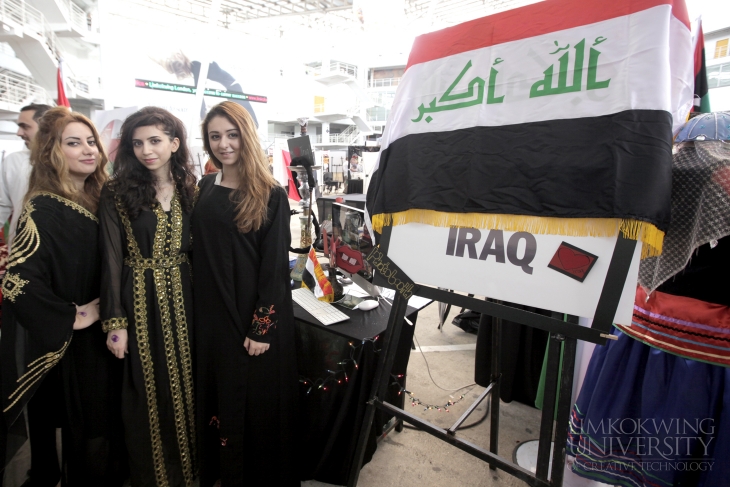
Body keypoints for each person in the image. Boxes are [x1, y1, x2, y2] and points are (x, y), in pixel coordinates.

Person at [0, 107, 123, 485]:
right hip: (76, 347)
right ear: (52, 150)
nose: (88, 150)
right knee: (89, 430)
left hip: (108, 333)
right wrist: (72, 315)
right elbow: (17, 281)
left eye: (91, 142)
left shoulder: (99, 195)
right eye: (74, 143)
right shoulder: (44, 206)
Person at [192, 101, 299, 486]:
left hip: (250, 314)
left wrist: (261, 327)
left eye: (232, 134)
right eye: (216, 136)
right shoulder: (205, 185)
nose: (224, 144)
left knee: (250, 401)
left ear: (246, 136)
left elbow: (273, 268)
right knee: (219, 393)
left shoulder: (270, 193)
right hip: (211, 314)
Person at [99, 107, 197, 486]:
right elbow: (109, 257)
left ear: (174, 143)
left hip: (186, 297)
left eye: (155, 140)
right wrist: (115, 322)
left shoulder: (193, 187)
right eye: (137, 143)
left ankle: (191, 471)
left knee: (188, 382)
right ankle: (156, 476)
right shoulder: (117, 190)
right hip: (138, 296)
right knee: (147, 389)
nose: (146, 150)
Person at [0, 103, 52, 249]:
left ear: (46, 126)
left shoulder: (73, 163)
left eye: (25, 126)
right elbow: (2, 205)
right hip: (20, 254)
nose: (19, 133)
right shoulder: (13, 161)